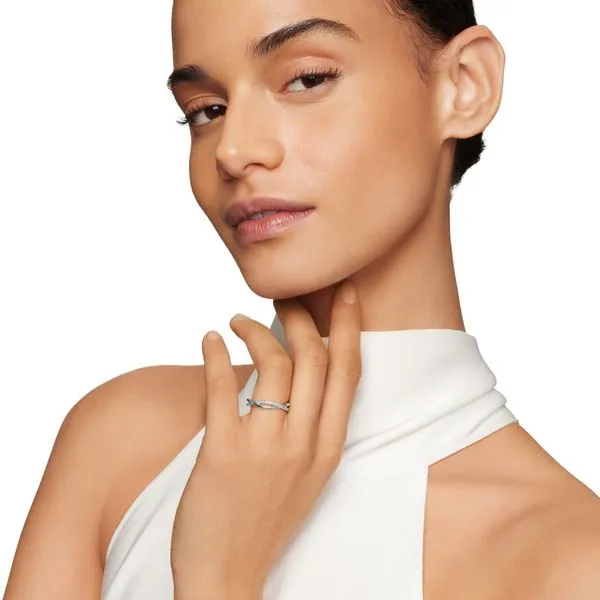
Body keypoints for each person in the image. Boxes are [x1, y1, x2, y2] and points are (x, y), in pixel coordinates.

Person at [4, 0, 600, 599]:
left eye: (308, 80)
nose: (232, 150)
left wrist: (220, 575)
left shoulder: (569, 561)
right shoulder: (118, 442)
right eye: (207, 110)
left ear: (466, 84)